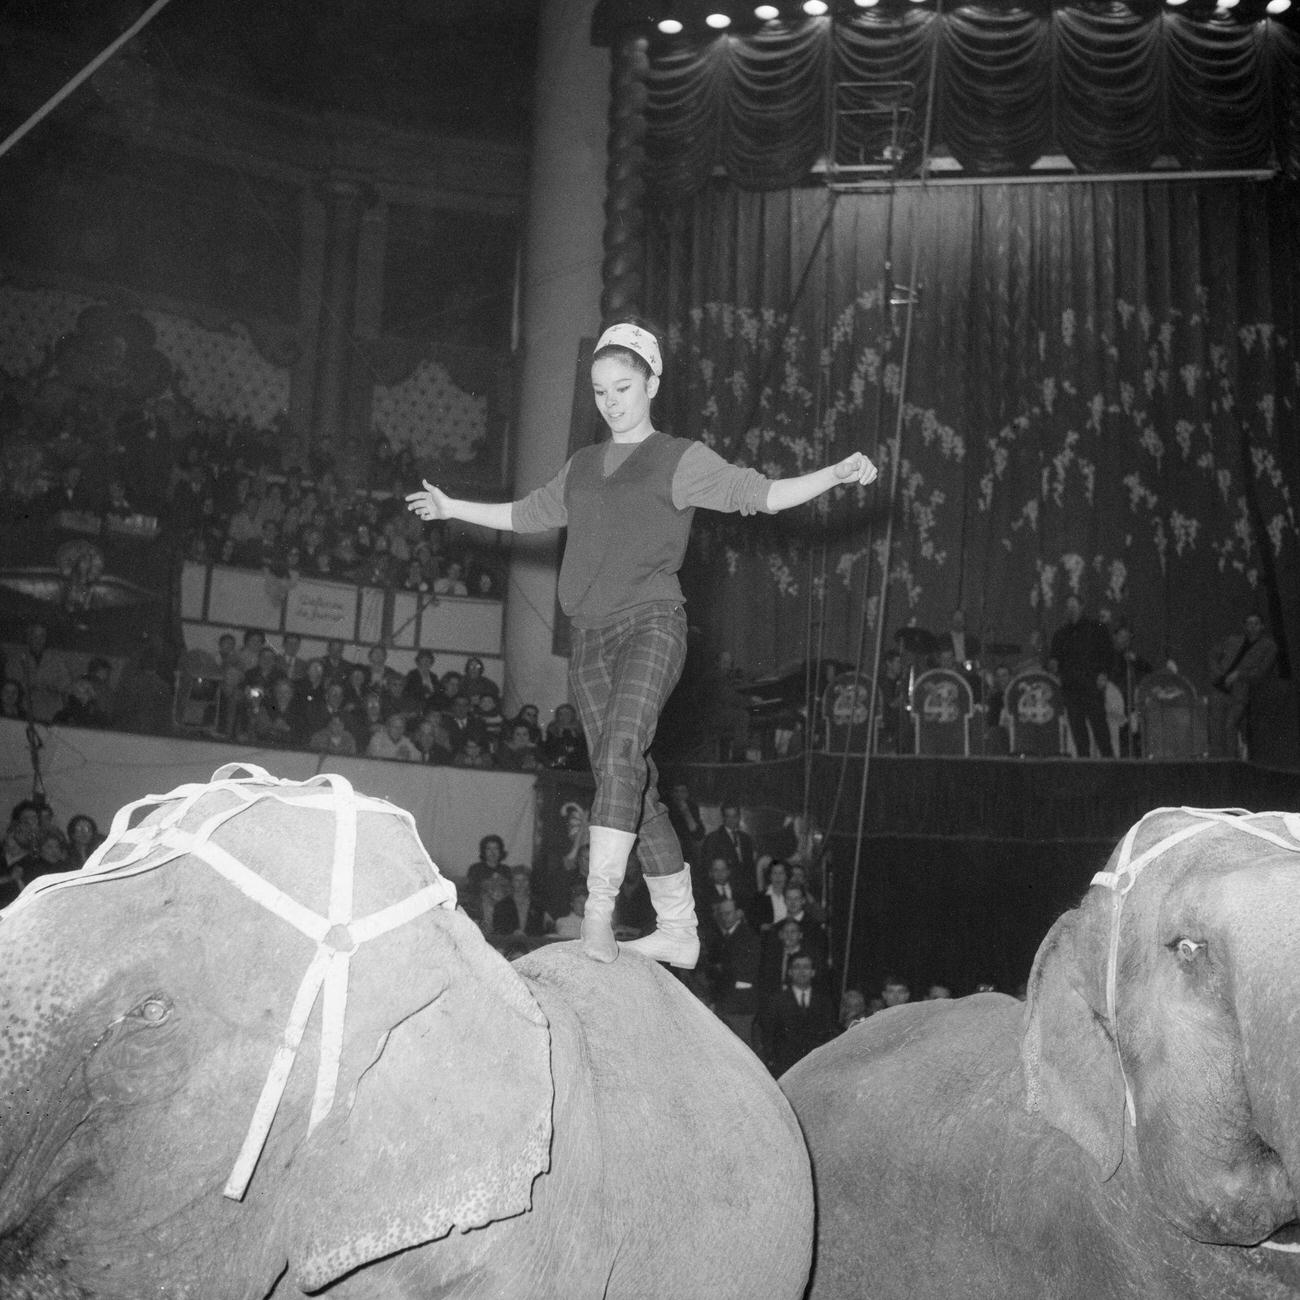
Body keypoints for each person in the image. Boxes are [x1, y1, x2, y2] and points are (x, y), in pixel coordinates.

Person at [408, 317, 877, 969]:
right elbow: (527, 514)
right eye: (600, 391)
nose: (610, 402)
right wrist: (453, 507)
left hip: (653, 623)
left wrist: (833, 475)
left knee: (623, 747)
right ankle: (679, 927)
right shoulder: (582, 466)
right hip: (590, 638)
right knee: (628, 777)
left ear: (652, 383)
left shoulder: (679, 459)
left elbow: (761, 495)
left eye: (623, 388)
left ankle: (597, 910)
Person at [1048, 595, 1114, 758]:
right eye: (1068, 607)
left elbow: (1108, 654)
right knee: (1079, 734)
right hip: (1071, 689)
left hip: (1092, 686)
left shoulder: (1097, 628)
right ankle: (1084, 765)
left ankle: (1111, 764)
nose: (1071, 610)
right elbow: (1054, 658)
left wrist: (1103, 674)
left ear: (1082, 606)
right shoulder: (1060, 633)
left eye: (1074, 606)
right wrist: (1053, 664)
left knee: (1100, 730)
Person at [1207, 611, 1278, 759]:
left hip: (1241, 692)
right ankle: (1216, 763)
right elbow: (1213, 655)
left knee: (1230, 726)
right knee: (1215, 729)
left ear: (1262, 626)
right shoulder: (1232, 640)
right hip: (1219, 689)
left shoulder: (1269, 646)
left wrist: (1239, 675)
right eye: (1249, 623)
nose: (1252, 627)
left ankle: (1231, 763)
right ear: (1244, 626)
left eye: (1256, 623)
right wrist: (1218, 673)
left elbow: (1262, 672)